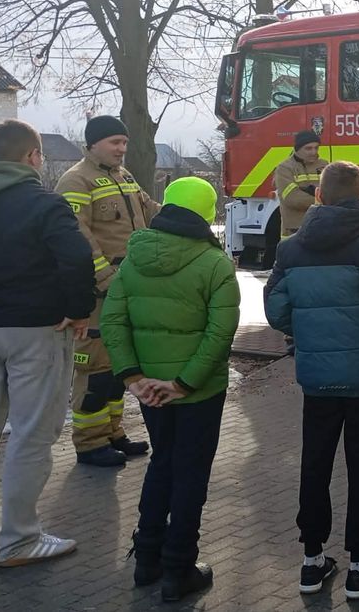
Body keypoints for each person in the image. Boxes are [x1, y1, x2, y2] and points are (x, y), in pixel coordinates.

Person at [263, 161, 359, 598]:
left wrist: (307, 330)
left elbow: (276, 312)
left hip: (317, 379)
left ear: (318, 197)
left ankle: (312, 562)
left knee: (314, 465)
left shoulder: (290, 251)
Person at [99, 177, 240, 603]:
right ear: (205, 210)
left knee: (163, 463)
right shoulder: (215, 264)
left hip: (150, 392)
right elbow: (221, 333)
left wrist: (133, 378)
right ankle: (179, 568)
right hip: (196, 391)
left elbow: (113, 321)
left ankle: (147, 559)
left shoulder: (133, 258)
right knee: (191, 471)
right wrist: (183, 383)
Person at [0, 120, 95, 566]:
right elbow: (77, 257)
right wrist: (78, 310)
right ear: (32, 157)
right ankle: (19, 539)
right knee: (31, 437)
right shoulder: (44, 203)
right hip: (37, 332)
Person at [56, 114, 158, 468]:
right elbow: (76, 237)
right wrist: (104, 278)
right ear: (93, 143)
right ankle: (88, 443)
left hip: (129, 285)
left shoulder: (124, 177)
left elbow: (150, 212)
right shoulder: (76, 181)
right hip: (100, 293)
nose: (122, 149)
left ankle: (113, 432)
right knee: (95, 367)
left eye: (125, 143)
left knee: (118, 365)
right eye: (115, 142)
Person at [274, 130, 327, 240]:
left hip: (320, 228)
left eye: (316, 147)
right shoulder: (285, 168)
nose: (313, 152)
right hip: (294, 231)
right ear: (297, 149)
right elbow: (292, 199)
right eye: (308, 148)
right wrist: (323, 201)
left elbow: (335, 191)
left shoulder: (324, 165)